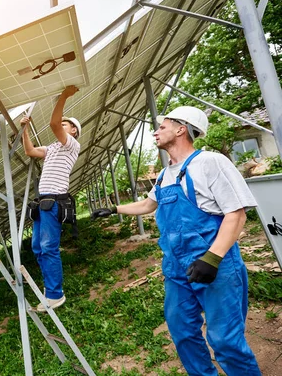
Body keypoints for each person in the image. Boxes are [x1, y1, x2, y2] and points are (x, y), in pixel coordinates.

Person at [92, 106, 261, 375]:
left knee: (225, 340)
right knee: (182, 331)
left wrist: (212, 258)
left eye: (162, 126)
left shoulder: (209, 162)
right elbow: (149, 205)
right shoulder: (164, 174)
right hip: (176, 268)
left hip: (214, 264)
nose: (156, 131)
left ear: (181, 129)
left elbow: (236, 214)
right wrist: (114, 209)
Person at [21, 85, 81, 312]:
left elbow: (53, 123)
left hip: (54, 201)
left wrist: (64, 96)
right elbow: (30, 152)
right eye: (63, 123)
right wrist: (25, 130)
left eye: (66, 124)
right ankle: (50, 288)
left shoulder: (71, 145)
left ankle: (56, 295)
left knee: (48, 247)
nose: (61, 125)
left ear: (73, 131)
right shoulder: (53, 147)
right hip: (43, 202)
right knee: (38, 247)